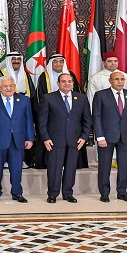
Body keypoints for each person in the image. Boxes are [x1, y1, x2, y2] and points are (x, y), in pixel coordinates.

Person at [38, 73, 91, 203]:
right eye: (63, 81)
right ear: (58, 84)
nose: (67, 84)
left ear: (73, 83)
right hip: (54, 140)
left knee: (71, 168)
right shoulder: (48, 98)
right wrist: (45, 138)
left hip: (75, 140)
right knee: (54, 168)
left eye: (69, 81)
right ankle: (53, 194)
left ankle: (68, 193)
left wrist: (84, 137)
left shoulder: (82, 98)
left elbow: (87, 120)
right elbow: (42, 121)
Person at [0, 76, 34, 203]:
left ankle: (17, 193)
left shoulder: (24, 100)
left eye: (11, 85)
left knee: (16, 168)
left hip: (17, 140)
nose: (9, 88)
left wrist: (30, 138)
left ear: (14, 86)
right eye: (5, 86)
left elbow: (28, 120)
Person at [92, 71, 127, 203]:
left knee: (123, 166)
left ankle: (122, 192)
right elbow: (96, 117)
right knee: (104, 166)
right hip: (106, 137)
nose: (120, 82)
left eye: (122, 79)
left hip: (125, 136)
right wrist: (99, 137)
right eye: (116, 79)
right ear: (110, 81)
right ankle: (104, 192)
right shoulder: (100, 95)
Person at [36, 53, 88, 170]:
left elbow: (78, 96)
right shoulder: (44, 77)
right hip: (52, 119)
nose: (58, 64)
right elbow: (39, 97)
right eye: (55, 62)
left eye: (61, 61)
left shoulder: (71, 75)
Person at [0, 51, 40, 169]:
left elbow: (32, 94)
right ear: (8, 61)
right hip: (4, 111)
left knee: (20, 136)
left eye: (18, 59)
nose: (16, 61)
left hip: (21, 111)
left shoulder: (25, 75)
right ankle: (4, 160)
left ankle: (21, 160)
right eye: (13, 59)